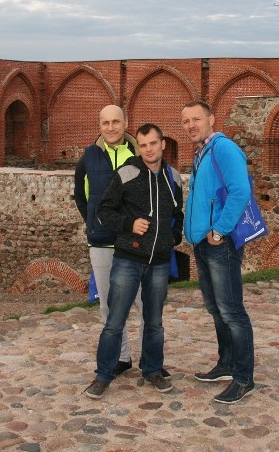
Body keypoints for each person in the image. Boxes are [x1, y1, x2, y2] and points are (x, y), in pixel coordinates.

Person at [83, 123, 184, 399]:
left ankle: (152, 369)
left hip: (160, 262)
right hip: (128, 259)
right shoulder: (126, 172)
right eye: (143, 145)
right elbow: (104, 210)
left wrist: (172, 238)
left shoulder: (173, 176)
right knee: (115, 319)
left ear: (163, 144)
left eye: (153, 143)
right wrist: (129, 223)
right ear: (138, 147)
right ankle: (103, 375)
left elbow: (178, 213)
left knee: (154, 321)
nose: (149, 149)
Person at [181, 99, 256, 404]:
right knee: (215, 309)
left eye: (196, 119)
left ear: (211, 118)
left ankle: (243, 378)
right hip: (203, 243)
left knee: (232, 311)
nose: (191, 126)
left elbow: (240, 191)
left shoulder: (224, 149)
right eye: (185, 121)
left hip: (219, 245)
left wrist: (220, 230)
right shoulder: (203, 152)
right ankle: (226, 364)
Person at [73, 104, 141, 377]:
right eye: (105, 123)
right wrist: (94, 223)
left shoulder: (139, 154)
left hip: (135, 242)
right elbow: (81, 195)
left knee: (143, 302)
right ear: (99, 125)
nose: (111, 128)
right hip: (101, 243)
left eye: (116, 122)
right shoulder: (89, 157)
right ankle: (121, 357)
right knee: (108, 305)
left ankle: (150, 360)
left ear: (125, 123)